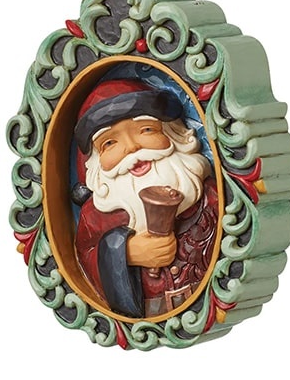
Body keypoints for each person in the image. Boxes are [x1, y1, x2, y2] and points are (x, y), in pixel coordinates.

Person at [73, 79, 218, 318]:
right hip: (150, 311)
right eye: (110, 142)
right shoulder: (96, 215)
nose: (131, 148)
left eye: (146, 130)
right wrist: (123, 252)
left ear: (173, 133)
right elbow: (84, 255)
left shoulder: (208, 196)